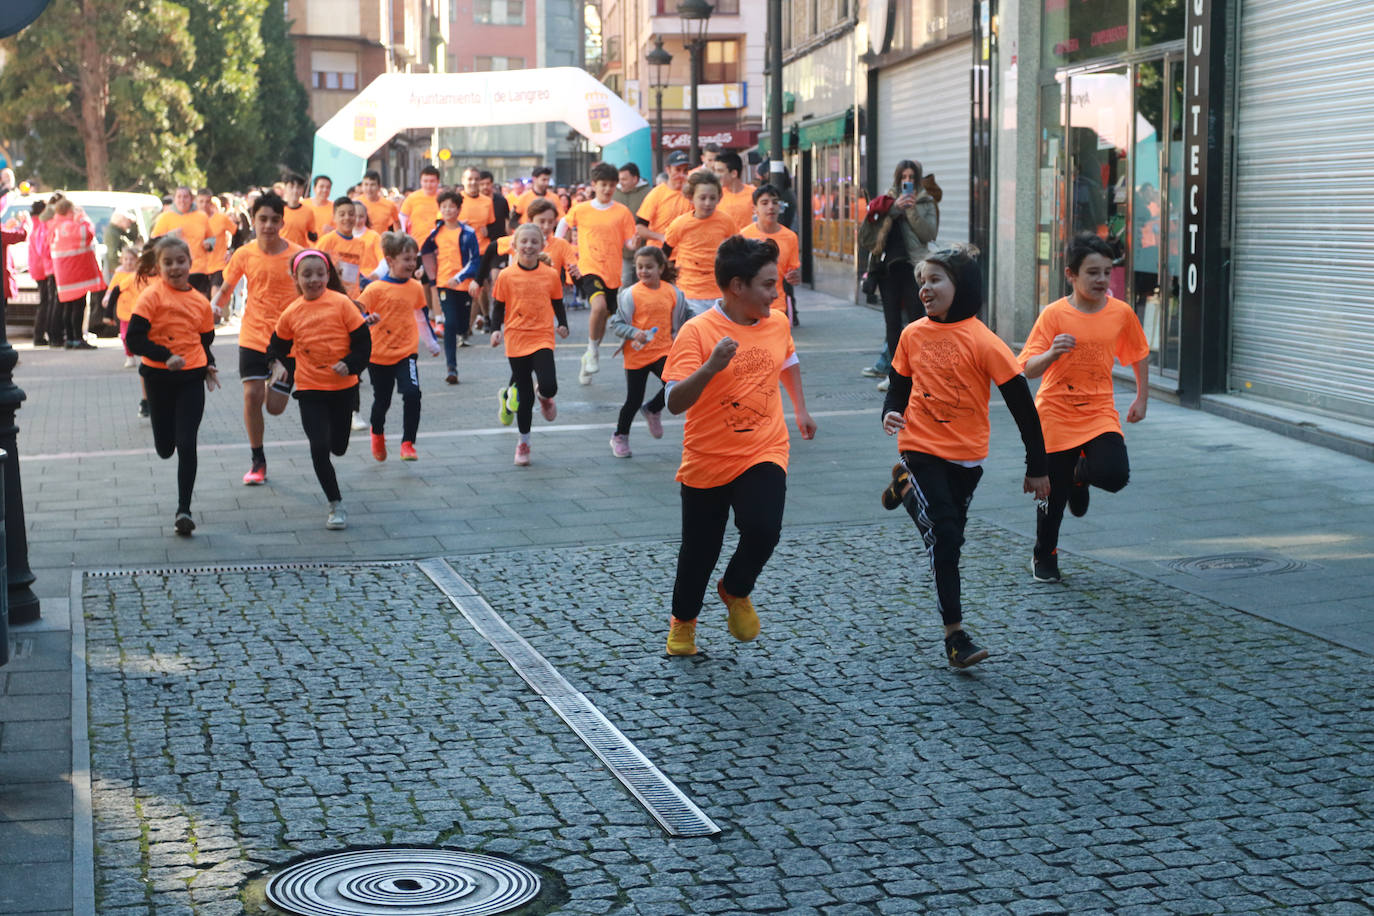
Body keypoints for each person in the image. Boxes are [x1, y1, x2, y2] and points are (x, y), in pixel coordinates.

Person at [879, 245, 1049, 669]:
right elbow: (899, 384)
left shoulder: (984, 341)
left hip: (967, 458)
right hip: (919, 446)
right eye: (922, 281)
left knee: (947, 536)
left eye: (935, 280)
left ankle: (904, 488)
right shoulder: (912, 334)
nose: (925, 289)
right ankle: (955, 636)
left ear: (963, 287)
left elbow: (1023, 409)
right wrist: (891, 412)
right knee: (947, 536)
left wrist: (1038, 466)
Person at [660, 235, 816, 656]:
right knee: (700, 549)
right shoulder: (698, 331)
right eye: (767, 284)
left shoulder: (778, 322)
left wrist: (800, 410)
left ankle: (735, 588)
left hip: (764, 448)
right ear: (736, 286)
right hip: (708, 458)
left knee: (764, 528)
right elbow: (673, 401)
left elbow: (788, 362)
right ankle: (683, 624)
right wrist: (711, 367)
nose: (775, 292)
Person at [1018, 234, 1149, 583]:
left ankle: (1080, 476)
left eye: (1107, 272)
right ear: (1071, 274)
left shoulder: (1121, 312)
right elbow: (1027, 368)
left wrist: (1142, 397)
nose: (1102, 280)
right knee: (1052, 496)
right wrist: (1052, 354)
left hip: (1099, 410)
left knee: (1115, 474)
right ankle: (1044, 555)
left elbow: (1137, 354)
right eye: (1093, 272)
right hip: (1056, 412)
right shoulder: (1054, 314)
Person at [266, 250, 371, 529]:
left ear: (328, 275)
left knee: (338, 446)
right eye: (307, 275)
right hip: (310, 388)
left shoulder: (342, 304)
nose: (314, 280)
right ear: (296, 279)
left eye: (319, 274)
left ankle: (338, 444)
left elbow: (363, 343)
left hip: (343, 388)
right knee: (319, 446)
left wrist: (349, 365)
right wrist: (277, 365)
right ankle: (335, 504)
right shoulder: (291, 313)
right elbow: (276, 346)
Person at [124, 237, 219, 536]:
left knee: (187, 442)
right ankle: (164, 441)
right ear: (158, 267)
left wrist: (209, 364)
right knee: (166, 448)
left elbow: (204, 340)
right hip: (158, 378)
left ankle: (184, 510)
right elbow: (134, 340)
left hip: (191, 376)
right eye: (168, 262)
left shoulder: (200, 302)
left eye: (181, 261)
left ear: (190, 263)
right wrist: (166, 357)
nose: (175, 267)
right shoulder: (151, 297)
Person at [210, 192, 303, 486]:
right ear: (255, 220)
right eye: (263, 219)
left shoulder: (297, 255)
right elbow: (226, 288)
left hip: (286, 338)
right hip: (253, 334)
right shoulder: (244, 254)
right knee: (252, 395)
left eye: (275, 220)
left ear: (282, 222)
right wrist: (210, 310)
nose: (268, 225)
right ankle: (257, 459)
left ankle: (273, 379)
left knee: (274, 407)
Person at [490, 223, 569, 466]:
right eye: (523, 241)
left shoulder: (550, 274)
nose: (529, 245)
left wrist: (563, 323)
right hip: (516, 338)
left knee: (549, 384)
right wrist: (495, 330)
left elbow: (557, 301)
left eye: (534, 241)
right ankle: (524, 442)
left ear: (542, 246)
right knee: (524, 396)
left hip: (542, 336)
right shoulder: (506, 275)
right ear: (514, 246)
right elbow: (498, 306)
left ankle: (545, 397)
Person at [559, 161, 638, 386]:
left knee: (602, 316)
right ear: (594, 184)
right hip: (589, 268)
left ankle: (589, 354)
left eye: (612, 185)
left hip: (612, 271)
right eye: (603, 184)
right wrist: (563, 252)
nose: (607, 189)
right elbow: (563, 225)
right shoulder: (582, 209)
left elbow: (629, 242)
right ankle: (593, 351)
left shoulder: (622, 212)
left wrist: (635, 243)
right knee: (599, 307)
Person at [360, 232, 437, 462]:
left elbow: (421, 316)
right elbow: (357, 313)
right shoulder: (375, 289)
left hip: (406, 353)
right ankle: (377, 434)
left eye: (414, 259)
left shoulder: (414, 287)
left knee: (413, 394)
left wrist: (431, 343)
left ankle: (407, 443)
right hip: (379, 355)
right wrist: (367, 318)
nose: (412, 264)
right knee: (382, 401)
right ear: (390, 260)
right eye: (406, 259)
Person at [607, 246, 689, 458]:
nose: (644, 271)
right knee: (633, 400)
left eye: (649, 267)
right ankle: (620, 436)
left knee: (674, 384)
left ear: (661, 268)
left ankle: (653, 408)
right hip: (636, 355)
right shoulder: (629, 294)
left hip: (663, 350)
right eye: (640, 267)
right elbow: (616, 324)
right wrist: (634, 332)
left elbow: (687, 316)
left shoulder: (672, 292)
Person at [863, 160, 939, 389]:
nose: (907, 181)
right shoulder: (886, 202)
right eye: (903, 177)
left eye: (911, 177)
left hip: (915, 267)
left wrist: (911, 210)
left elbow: (929, 234)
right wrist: (894, 208)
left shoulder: (926, 202)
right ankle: (895, 374)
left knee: (917, 323)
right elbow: (871, 233)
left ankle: (916, 371)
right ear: (898, 179)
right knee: (892, 324)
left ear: (917, 179)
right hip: (889, 269)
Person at [420, 189, 481, 384]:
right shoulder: (436, 232)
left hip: (463, 285)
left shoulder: (468, 233)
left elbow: (475, 261)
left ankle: (466, 330)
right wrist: (424, 270)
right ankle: (451, 367)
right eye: (444, 207)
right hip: (444, 284)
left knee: (462, 326)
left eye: (451, 207)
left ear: (458, 209)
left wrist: (460, 276)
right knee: (450, 323)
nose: (447, 210)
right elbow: (426, 253)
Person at [663, 169, 735, 317]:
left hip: (719, 290)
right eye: (702, 198)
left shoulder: (726, 222)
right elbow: (664, 253)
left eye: (712, 198)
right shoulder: (679, 224)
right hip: (689, 291)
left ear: (719, 198)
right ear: (691, 197)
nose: (708, 203)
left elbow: (737, 251)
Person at [49, 198, 105, 350]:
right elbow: (88, 234)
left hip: (63, 275)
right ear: (69, 211)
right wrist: (83, 218)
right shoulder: (71, 226)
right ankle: (78, 340)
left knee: (67, 307)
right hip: (77, 273)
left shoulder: (55, 226)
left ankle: (70, 339)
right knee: (78, 307)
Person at [740, 184, 801, 322]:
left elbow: (792, 271)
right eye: (764, 203)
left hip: (777, 306)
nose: (771, 207)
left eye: (775, 202)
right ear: (755, 209)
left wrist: (794, 277)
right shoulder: (744, 236)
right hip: (749, 305)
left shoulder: (790, 237)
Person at [151, 187, 213, 298]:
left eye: (185, 197)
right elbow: (154, 241)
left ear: (191, 199)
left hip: (199, 268)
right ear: (174, 199)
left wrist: (209, 243)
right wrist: (170, 235)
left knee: (199, 303)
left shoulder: (201, 216)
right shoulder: (166, 217)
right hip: (176, 269)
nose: (182, 200)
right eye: (179, 197)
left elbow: (211, 237)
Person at [635, 150, 692, 247]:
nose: (681, 174)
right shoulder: (657, 194)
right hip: (659, 253)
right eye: (678, 170)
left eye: (685, 170)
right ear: (668, 170)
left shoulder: (692, 194)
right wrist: (661, 237)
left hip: (684, 254)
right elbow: (639, 228)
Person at [101, 245, 142, 369]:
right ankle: (129, 356)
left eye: (132, 259)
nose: (129, 262)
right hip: (124, 311)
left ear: (137, 260)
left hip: (138, 311)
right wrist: (107, 298)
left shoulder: (140, 275)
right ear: (121, 260)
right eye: (126, 259)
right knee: (124, 336)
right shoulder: (119, 274)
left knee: (140, 335)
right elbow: (112, 289)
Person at [613, 162, 653, 286]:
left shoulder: (649, 193)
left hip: (645, 248)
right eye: (620, 179)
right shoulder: (614, 193)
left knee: (644, 282)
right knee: (624, 282)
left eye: (624, 179)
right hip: (621, 250)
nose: (621, 182)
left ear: (635, 179)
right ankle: (623, 306)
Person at [27, 200, 54, 346]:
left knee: (44, 302)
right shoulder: (41, 226)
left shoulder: (35, 225)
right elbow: (42, 250)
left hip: (37, 268)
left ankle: (40, 335)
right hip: (42, 269)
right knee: (45, 303)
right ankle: (40, 335)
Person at [203, 193, 237, 305]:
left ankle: (215, 315)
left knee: (215, 289)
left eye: (212, 205)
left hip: (219, 262)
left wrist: (232, 250)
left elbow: (237, 233)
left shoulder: (221, 219)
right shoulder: (197, 219)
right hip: (202, 265)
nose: (208, 208)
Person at [711, 151, 757, 231]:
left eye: (720, 171)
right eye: (715, 171)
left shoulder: (754, 194)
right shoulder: (715, 195)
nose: (716, 175)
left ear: (734, 173)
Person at [279, 173, 317, 248]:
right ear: (285, 189)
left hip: (299, 251)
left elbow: (313, 236)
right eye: (291, 187)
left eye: (298, 187)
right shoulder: (278, 209)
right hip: (281, 249)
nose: (295, 191)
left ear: (302, 190)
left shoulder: (308, 212)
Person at [360, 169, 400, 234]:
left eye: (372, 185)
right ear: (362, 186)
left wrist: (398, 239)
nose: (369, 188)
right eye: (366, 184)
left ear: (379, 187)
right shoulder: (356, 203)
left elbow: (397, 222)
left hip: (381, 242)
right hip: (360, 242)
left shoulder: (389, 205)